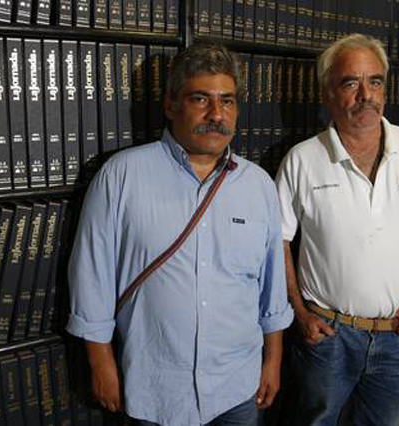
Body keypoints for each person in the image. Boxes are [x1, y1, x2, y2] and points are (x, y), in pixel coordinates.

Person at [66, 42, 293, 426]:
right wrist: (101, 363)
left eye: (227, 101)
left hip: (238, 385)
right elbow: (91, 275)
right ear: (171, 105)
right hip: (155, 387)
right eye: (200, 99)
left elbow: (270, 286)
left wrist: (273, 360)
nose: (216, 114)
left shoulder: (258, 185)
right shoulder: (121, 176)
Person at [275, 33, 399, 426]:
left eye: (375, 81)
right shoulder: (302, 160)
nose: (366, 95)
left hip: (398, 338)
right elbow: (277, 242)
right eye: (351, 83)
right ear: (327, 94)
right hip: (328, 338)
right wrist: (298, 312)